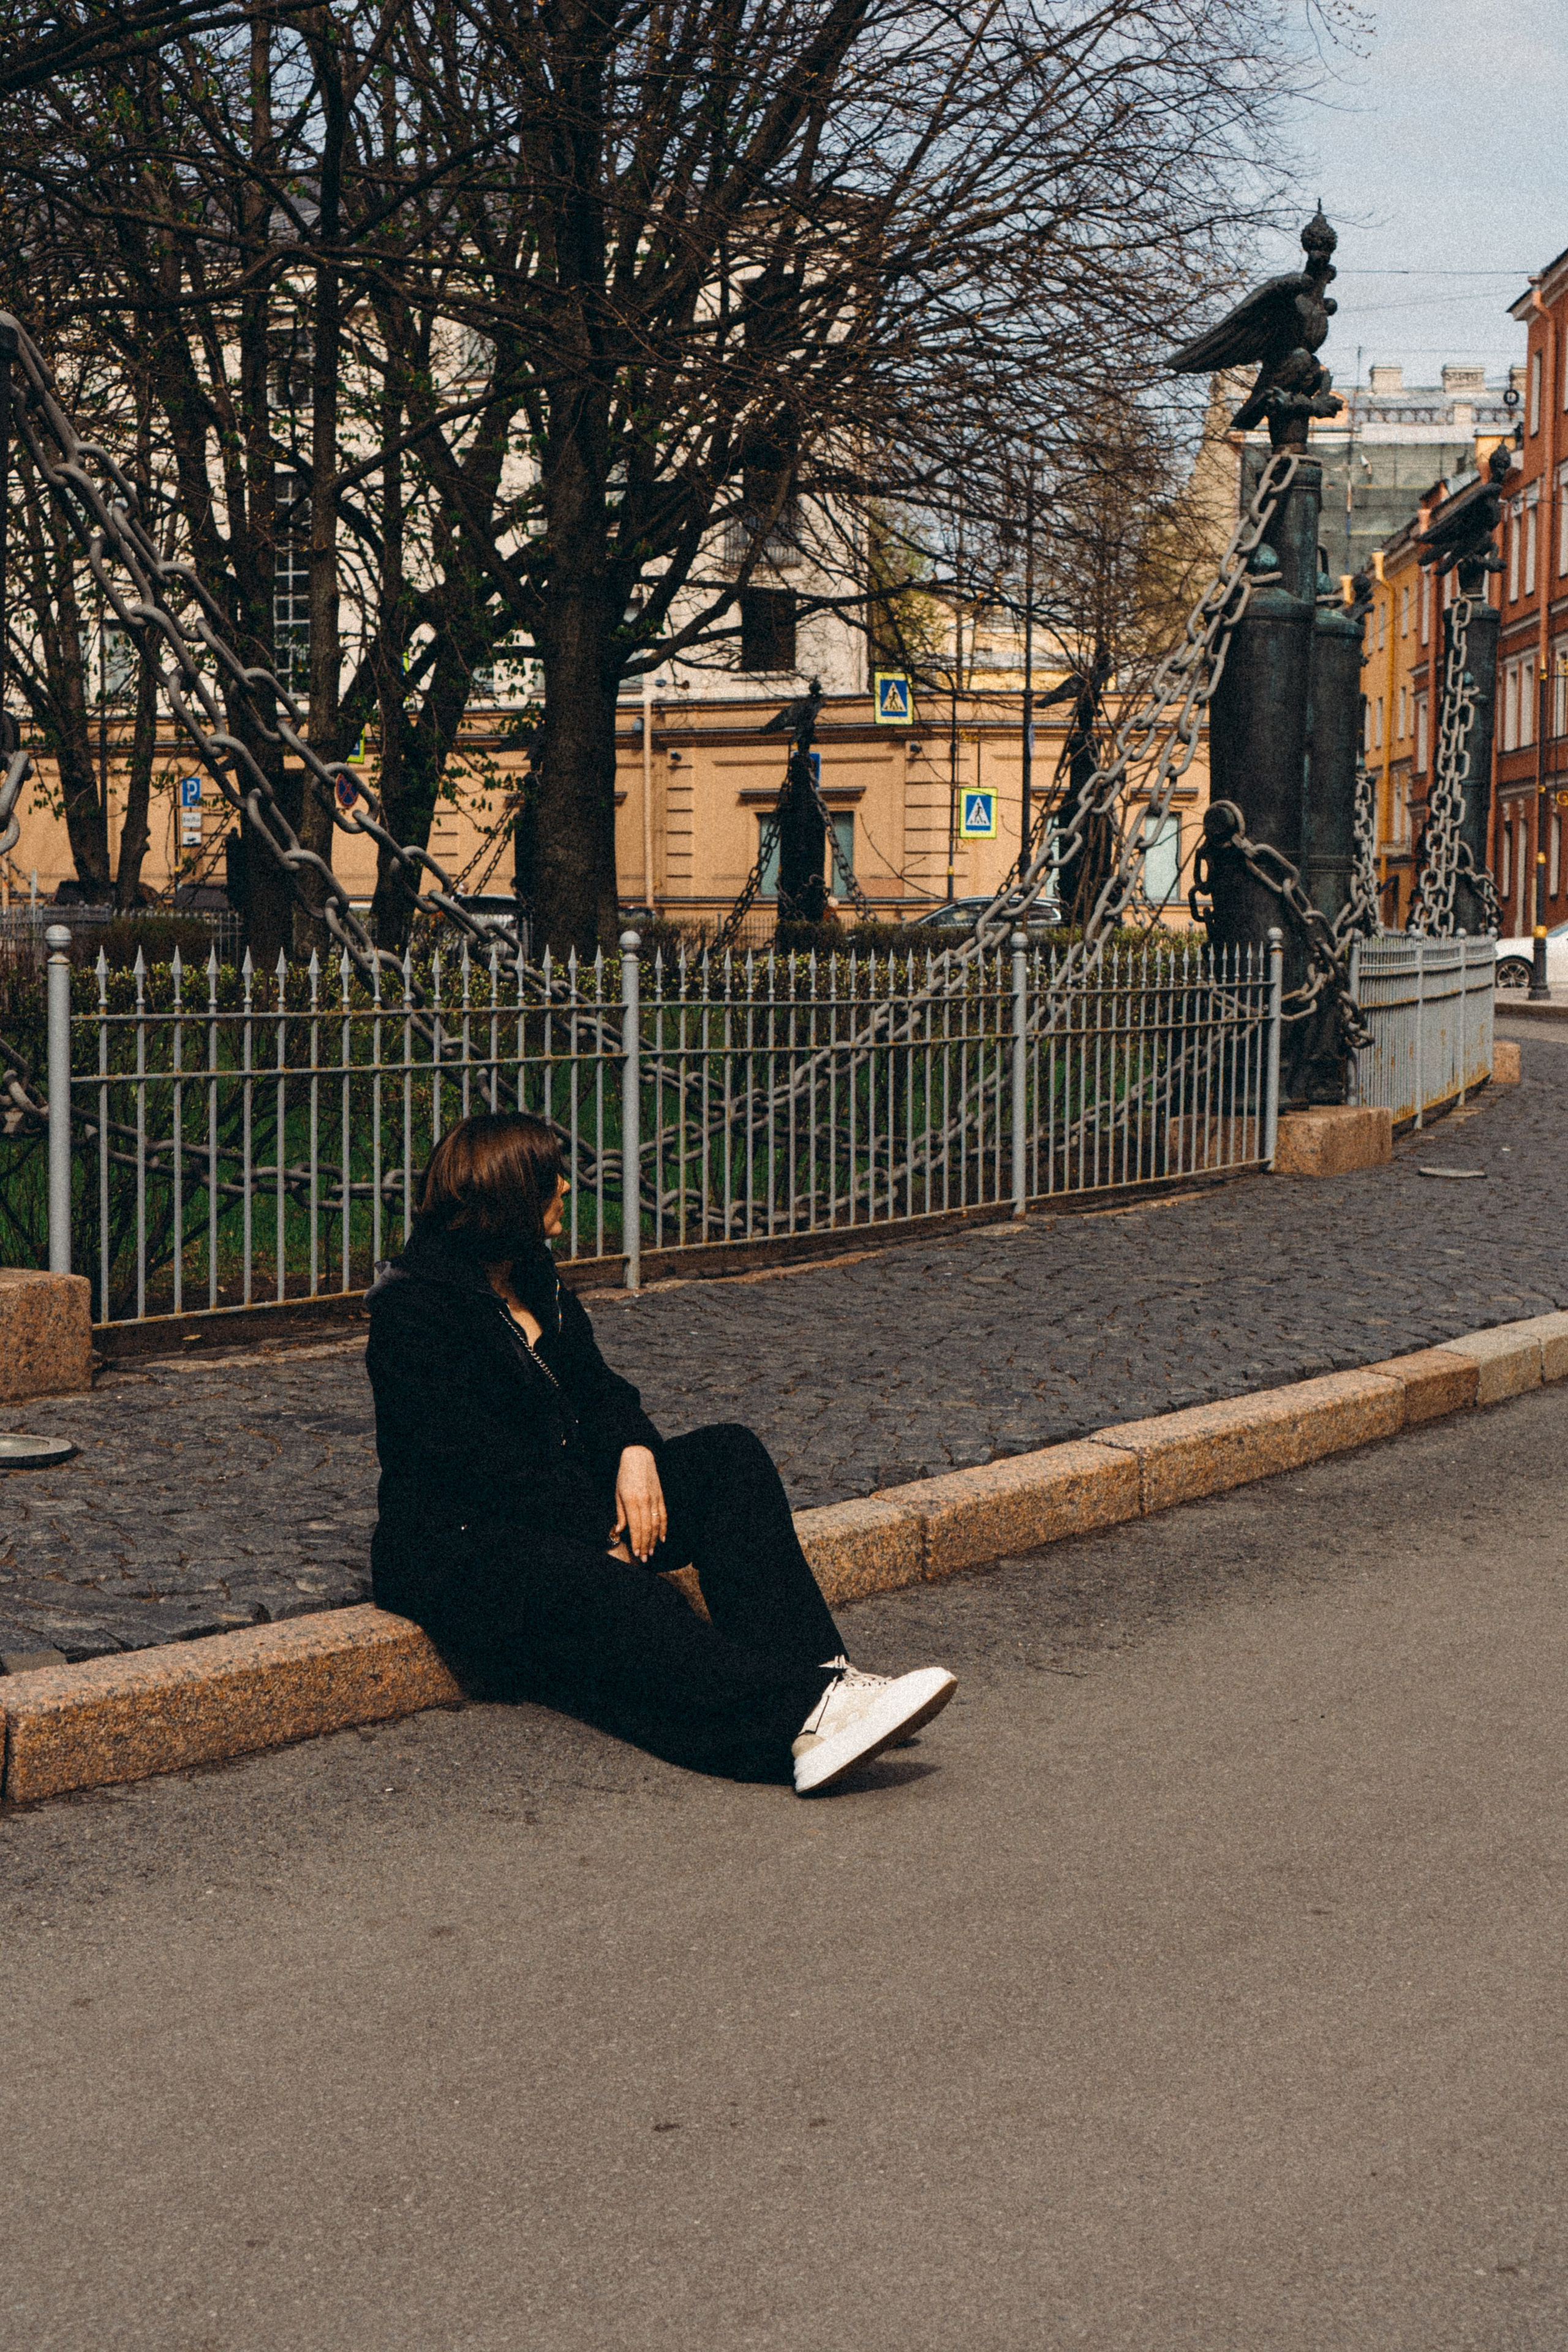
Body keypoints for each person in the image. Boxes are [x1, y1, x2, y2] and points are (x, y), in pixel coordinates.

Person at [366, 1110, 956, 1793]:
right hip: (464, 1546)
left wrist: (635, 1452)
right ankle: (798, 1718)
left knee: (727, 1459)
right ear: (508, 1197)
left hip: (560, 1504)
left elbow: (601, 1388)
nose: (566, 1186)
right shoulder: (416, 1313)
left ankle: (823, 1680)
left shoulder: (535, 1280)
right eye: (549, 1176)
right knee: (615, 1595)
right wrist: (596, 1535)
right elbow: (476, 1465)